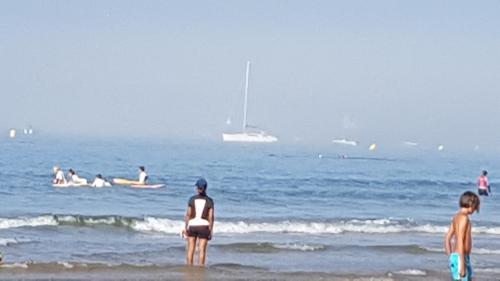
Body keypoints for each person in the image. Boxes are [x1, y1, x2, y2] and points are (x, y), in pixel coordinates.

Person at [444, 191, 480, 281]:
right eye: (475, 207)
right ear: (471, 204)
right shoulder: (464, 218)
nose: (475, 210)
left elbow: (447, 238)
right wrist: (462, 265)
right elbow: (460, 240)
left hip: (457, 257)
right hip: (462, 258)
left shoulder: (456, 217)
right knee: (464, 277)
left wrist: (451, 256)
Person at [182, 178, 215, 266]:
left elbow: (188, 215)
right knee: (202, 250)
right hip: (204, 226)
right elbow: (211, 217)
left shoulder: (192, 199)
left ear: (198, 188)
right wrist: (211, 230)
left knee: (191, 249)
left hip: (192, 225)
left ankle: (189, 267)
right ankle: (201, 268)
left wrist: (186, 228)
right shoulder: (209, 201)